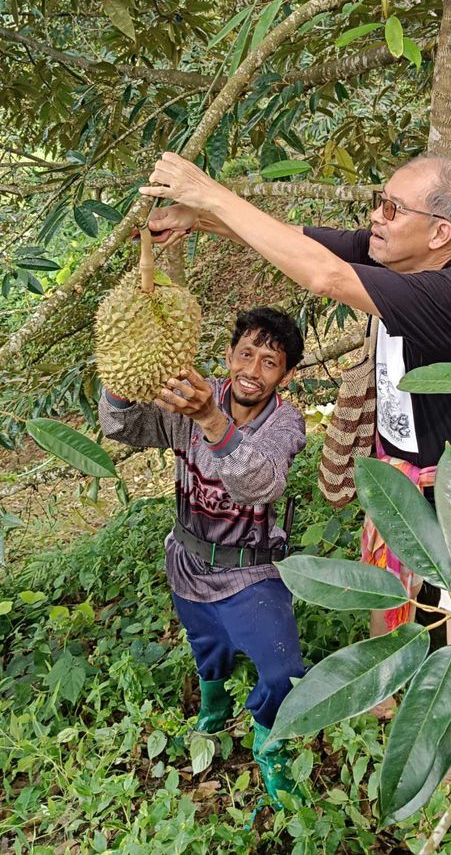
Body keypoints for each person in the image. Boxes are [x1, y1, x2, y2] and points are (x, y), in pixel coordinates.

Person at [139, 151, 451, 779]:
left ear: (439, 233)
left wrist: (208, 191)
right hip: (400, 482)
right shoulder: (389, 255)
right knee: (388, 612)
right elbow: (296, 241)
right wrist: (198, 219)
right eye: (379, 201)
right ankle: (389, 707)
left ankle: (446, 781)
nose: (377, 217)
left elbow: (321, 275)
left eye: (393, 208)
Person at [98, 306, 307, 803]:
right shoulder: (193, 395)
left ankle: (269, 740)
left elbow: (259, 484)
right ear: (229, 355)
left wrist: (210, 420)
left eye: (270, 363)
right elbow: (123, 425)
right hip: (188, 563)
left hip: (251, 570)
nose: (252, 371)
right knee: (208, 648)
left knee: (283, 672)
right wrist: (125, 370)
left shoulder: (285, 422)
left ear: (285, 376)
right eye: (246, 354)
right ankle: (214, 706)